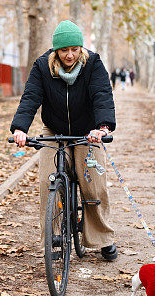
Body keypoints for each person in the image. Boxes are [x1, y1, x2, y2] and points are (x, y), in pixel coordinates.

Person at [10, 20, 118, 261]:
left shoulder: (94, 64)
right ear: (56, 51)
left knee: (94, 184)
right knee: (47, 181)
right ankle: (54, 237)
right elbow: (30, 98)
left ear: (81, 49)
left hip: (87, 133)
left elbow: (102, 94)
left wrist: (102, 127)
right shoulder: (42, 67)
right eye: (64, 50)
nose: (70, 55)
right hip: (54, 131)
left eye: (75, 49)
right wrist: (20, 129)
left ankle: (102, 237)